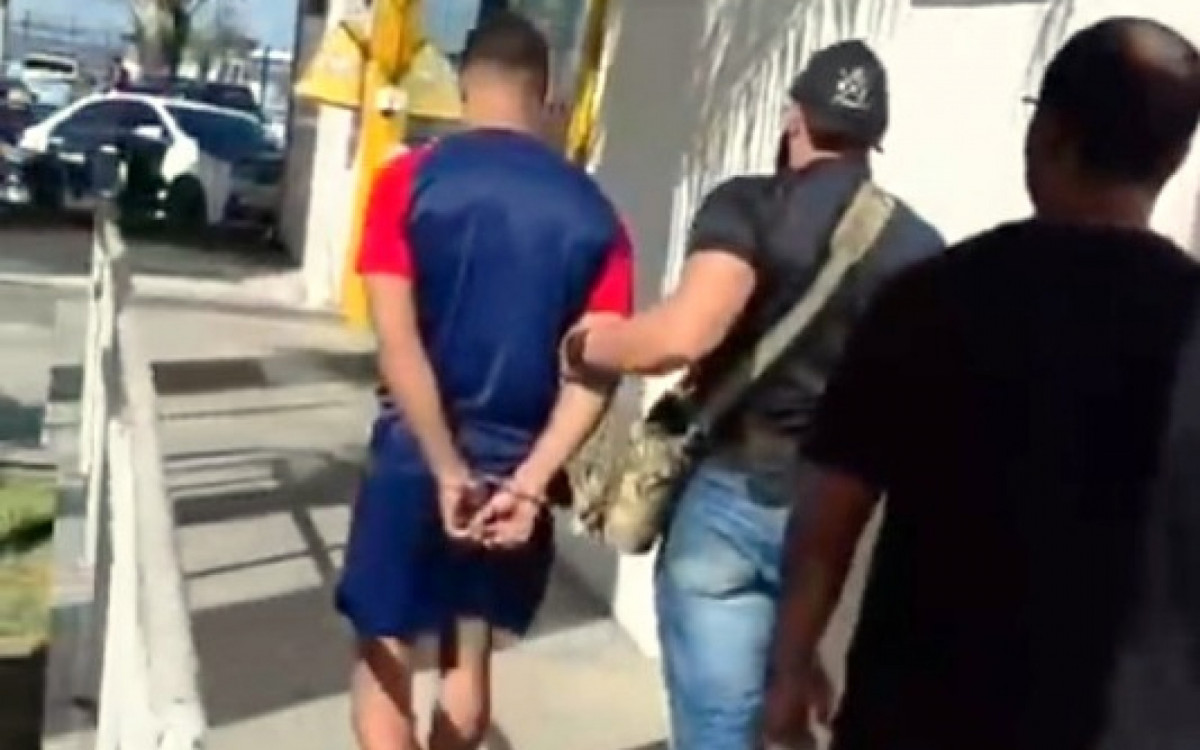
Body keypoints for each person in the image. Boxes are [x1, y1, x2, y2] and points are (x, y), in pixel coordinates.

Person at [764, 17, 1200, 750]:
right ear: (1175, 157)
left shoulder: (932, 299)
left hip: (925, 717)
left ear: (1048, 133)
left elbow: (830, 512)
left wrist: (791, 664)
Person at [565, 40, 942, 750]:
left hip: (732, 494)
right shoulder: (918, 246)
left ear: (795, 116)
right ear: (874, 140)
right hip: (837, 513)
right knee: (790, 714)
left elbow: (684, 334)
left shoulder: (751, 205)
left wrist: (586, 345)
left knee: (720, 730)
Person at [334, 11, 633, 750]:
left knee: (383, 658)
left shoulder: (406, 181)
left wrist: (444, 468)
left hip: (413, 458)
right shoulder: (598, 217)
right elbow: (595, 371)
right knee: (469, 664)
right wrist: (529, 484)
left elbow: (397, 342)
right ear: (546, 94)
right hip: (514, 476)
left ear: (464, 86)